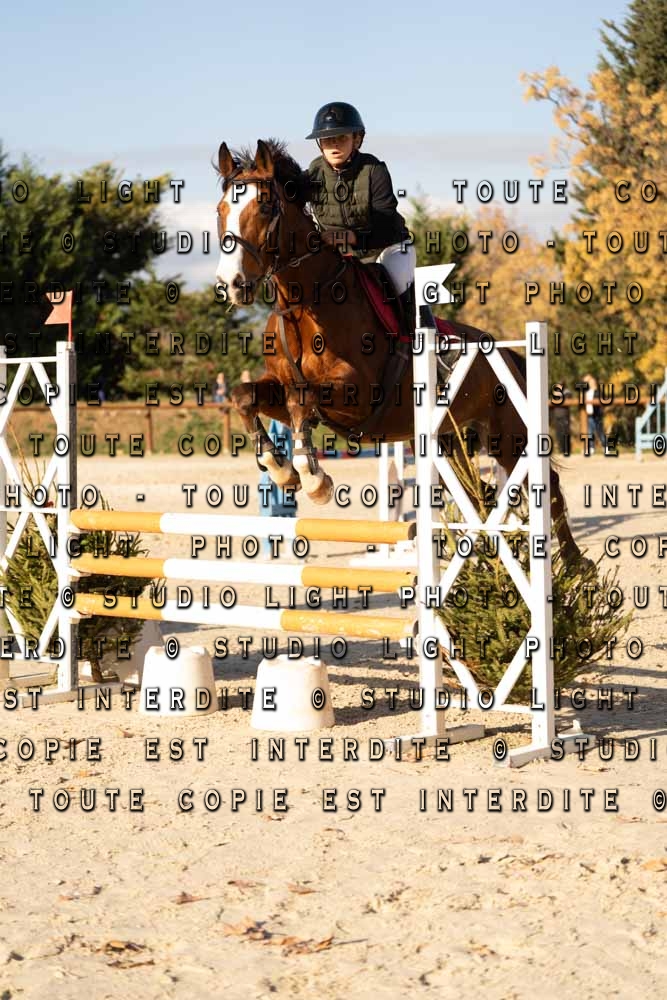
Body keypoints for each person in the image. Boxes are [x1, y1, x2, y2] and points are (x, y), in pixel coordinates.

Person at [306, 102, 417, 337]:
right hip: (341, 257)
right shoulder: (313, 174)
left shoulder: (374, 169)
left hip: (388, 248)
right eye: (327, 139)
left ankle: (411, 340)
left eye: (341, 137)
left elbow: (385, 227)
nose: (334, 144)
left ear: (356, 139)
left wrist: (348, 237)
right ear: (320, 144)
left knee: (396, 285)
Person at [583, 373, 606, 453]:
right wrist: (586, 379)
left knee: (600, 431)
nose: (590, 383)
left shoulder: (598, 392)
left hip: (597, 414)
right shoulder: (587, 392)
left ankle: (605, 446)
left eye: (591, 382)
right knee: (590, 432)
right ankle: (591, 448)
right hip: (590, 414)